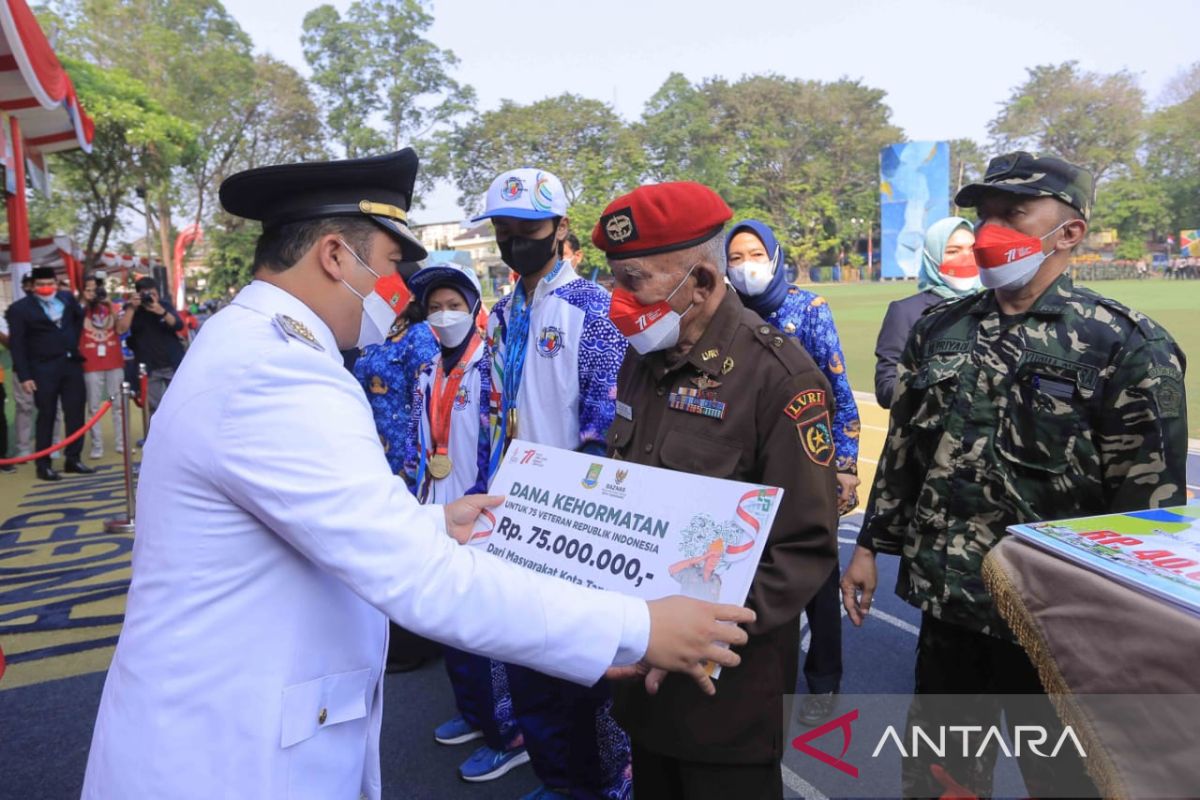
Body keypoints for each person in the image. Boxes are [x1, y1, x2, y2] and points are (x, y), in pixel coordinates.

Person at [81, 150, 755, 800]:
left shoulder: (252, 344)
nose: (404, 294)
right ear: (335, 257)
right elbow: (420, 580)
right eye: (393, 266)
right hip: (232, 755)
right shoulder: (278, 372)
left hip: (238, 729)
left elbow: (316, 526)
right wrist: (637, 627)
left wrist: (429, 523)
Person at [843, 152, 1188, 799]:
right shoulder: (940, 329)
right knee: (940, 781)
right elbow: (907, 451)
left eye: (1013, 213)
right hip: (952, 610)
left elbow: (1149, 512)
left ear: (1070, 232)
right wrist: (870, 544)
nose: (990, 230)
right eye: (984, 215)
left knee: (1066, 784)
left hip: (1061, 626)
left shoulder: (1125, 346)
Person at [594, 182, 839, 800]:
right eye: (611, 281)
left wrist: (699, 635)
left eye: (633, 282)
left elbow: (803, 547)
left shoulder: (779, 378)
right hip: (642, 675)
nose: (616, 303)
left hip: (725, 688)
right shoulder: (641, 359)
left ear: (701, 283)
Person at [479, 167, 631, 800]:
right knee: (527, 668)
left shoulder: (592, 311)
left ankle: (604, 786)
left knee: (587, 679)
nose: (516, 243)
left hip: (571, 526)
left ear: (561, 229)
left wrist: (573, 511)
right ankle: (556, 779)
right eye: (503, 232)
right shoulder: (505, 311)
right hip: (511, 515)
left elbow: (603, 430)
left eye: (528, 230)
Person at [724, 219, 859, 726]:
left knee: (817, 578)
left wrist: (846, 466)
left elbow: (840, 391)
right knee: (750, 573)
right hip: (746, 469)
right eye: (734, 258)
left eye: (754, 253)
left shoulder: (809, 310)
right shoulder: (727, 315)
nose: (745, 266)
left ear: (775, 255)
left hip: (811, 462)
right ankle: (760, 676)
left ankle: (824, 678)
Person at [404, 262, 528, 784]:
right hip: (437, 505)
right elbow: (419, 443)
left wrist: (484, 499)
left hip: (480, 510)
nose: (444, 314)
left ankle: (509, 734)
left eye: (454, 304)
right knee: (449, 617)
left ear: (475, 308)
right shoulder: (427, 371)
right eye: (434, 307)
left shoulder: (493, 369)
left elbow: (501, 442)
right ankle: (475, 713)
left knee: (485, 625)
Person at [873, 216, 980, 409]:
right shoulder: (906, 312)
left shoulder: (992, 305)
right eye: (953, 251)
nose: (966, 257)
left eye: (972, 249)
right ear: (933, 256)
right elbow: (886, 390)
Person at [4, 266, 93, 481]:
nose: (46, 288)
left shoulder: (66, 299)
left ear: (56, 283)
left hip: (71, 364)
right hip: (42, 368)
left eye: (50, 284)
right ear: (32, 287)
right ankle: (43, 465)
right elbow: (17, 345)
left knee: (75, 413)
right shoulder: (19, 309)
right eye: (41, 285)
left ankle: (73, 458)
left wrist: (70, 344)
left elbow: (78, 321)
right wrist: (25, 376)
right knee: (47, 415)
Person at [353, 261, 438, 481]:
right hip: (370, 449)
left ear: (410, 294)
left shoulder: (418, 336)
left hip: (405, 457)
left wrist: (416, 458)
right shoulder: (373, 335)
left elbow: (426, 402)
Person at [116, 276, 185, 415]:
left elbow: (178, 325)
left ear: (158, 294)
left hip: (171, 363)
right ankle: (156, 436)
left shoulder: (164, 305)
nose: (149, 298)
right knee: (154, 409)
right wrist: (131, 308)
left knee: (180, 404)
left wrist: (161, 311)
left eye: (153, 294)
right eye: (145, 295)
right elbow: (120, 330)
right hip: (148, 366)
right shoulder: (132, 310)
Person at [79, 276, 126, 459]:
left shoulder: (111, 308)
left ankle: (121, 442)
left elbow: (121, 329)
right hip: (90, 362)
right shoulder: (79, 310)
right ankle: (96, 445)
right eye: (88, 290)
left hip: (113, 359)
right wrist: (84, 302)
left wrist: (110, 306)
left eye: (95, 290)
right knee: (93, 406)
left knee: (119, 405)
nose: (93, 294)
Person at [9, 272, 37, 457]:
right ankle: (23, 447)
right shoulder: (16, 309)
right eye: (26, 285)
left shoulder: (55, 307)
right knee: (24, 408)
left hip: (48, 366)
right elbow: (14, 343)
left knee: (54, 409)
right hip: (23, 368)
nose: (30, 289)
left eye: (32, 285)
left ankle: (53, 445)